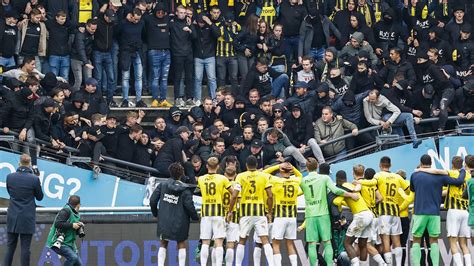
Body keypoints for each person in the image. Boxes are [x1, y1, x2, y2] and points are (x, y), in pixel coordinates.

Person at [404, 155, 466, 266]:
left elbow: (412, 189)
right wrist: (462, 171)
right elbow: (459, 182)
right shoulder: (439, 177)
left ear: (421, 162)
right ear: (431, 163)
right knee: (433, 241)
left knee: (417, 241)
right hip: (434, 213)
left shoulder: (414, 175)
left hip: (419, 213)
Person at [300, 157, 359, 266]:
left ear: (307, 168)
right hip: (323, 215)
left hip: (310, 215)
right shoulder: (324, 178)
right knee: (327, 243)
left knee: (312, 245)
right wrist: (351, 194)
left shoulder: (302, 181)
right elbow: (336, 190)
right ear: (317, 166)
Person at [355, 156, 408, 266]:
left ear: (380, 165)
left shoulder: (378, 175)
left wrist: (360, 182)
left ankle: (388, 264)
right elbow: (409, 189)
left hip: (384, 213)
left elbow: (371, 183)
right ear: (390, 165)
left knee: (386, 240)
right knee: (397, 240)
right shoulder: (397, 177)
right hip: (396, 212)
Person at [150, 162, 199, 266]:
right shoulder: (185, 189)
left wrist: (155, 213)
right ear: (182, 174)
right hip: (180, 221)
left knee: (163, 242)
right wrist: (195, 217)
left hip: (164, 220)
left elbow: (153, 200)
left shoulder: (162, 185)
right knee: (181, 243)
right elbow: (189, 205)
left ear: (170, 172)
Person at [230, 155, 274, 266]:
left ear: (246, 165)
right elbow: (270, 195)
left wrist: (230, 211)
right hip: (259, 211)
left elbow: (234, 196)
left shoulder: (240, 176)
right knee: (265, 239)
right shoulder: (263, 176)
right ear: (257, 165)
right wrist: (269, 212)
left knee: (242, 240)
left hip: (245, 211)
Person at [3, 154, 44, 266]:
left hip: (12, 216)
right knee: (25, 248)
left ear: (19, 163)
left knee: (10, 247)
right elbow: (40, 197)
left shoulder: (10, 177)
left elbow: (10, 192)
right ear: (30, 164)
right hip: (27, 217)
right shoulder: (34, 179)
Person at [197, 157, 236, 266]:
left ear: (206, 166)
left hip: (206, 213)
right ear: (218, 166)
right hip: (219, 213)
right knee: (219, 242)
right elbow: (233, 194)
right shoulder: (222, 179)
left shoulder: (201, 179)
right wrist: (230, 209)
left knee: (205, 242)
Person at [45, 195, 84, 266]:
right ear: (78, 205)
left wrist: (79, 228)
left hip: (70, 243)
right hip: (58, 242)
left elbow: (72, 229)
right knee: (73, 258)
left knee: (78, 264)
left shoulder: (76, 214)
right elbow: (58, 223)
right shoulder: (66, 210)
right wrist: (72, 225)